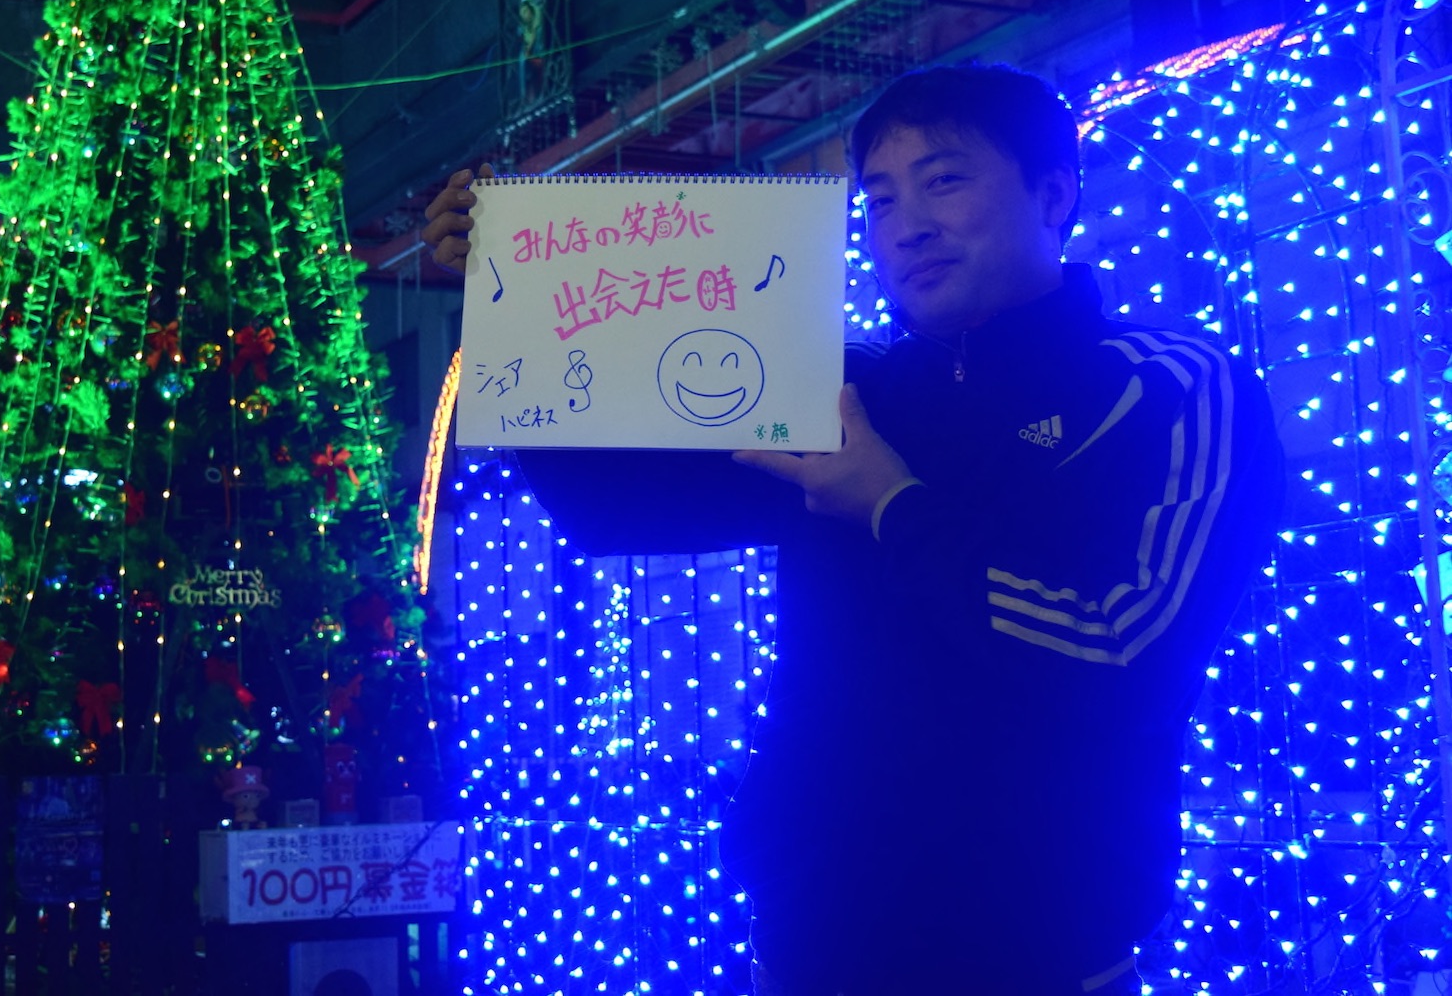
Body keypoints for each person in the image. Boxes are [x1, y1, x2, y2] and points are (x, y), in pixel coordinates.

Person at [420, 64, 1283, 995]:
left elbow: (1123, 657)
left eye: (944, 180)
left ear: (1054, 195)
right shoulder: (837, 384)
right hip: (813, 935)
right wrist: (510, 297)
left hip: (1044, 947)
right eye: (880, 200)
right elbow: (615, 501)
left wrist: (892, 504)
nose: (907, 225)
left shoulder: (1166, 388)